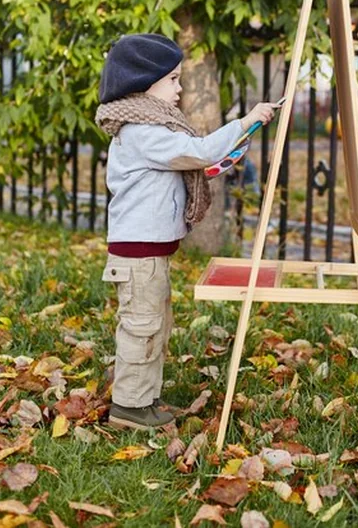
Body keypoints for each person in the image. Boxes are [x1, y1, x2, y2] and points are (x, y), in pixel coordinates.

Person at [95, 33, 276, 430]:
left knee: (155, 323)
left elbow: (200, 163)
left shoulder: (153, 128)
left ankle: (144, 395)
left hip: (148, 251)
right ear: (145, 83)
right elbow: (197, 152)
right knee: (142, 326)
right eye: (173, 80)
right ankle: (130, 406)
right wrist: (245, 120)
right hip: (138, 254)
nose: (180, 89)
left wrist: (240, 140)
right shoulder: (143, 131)